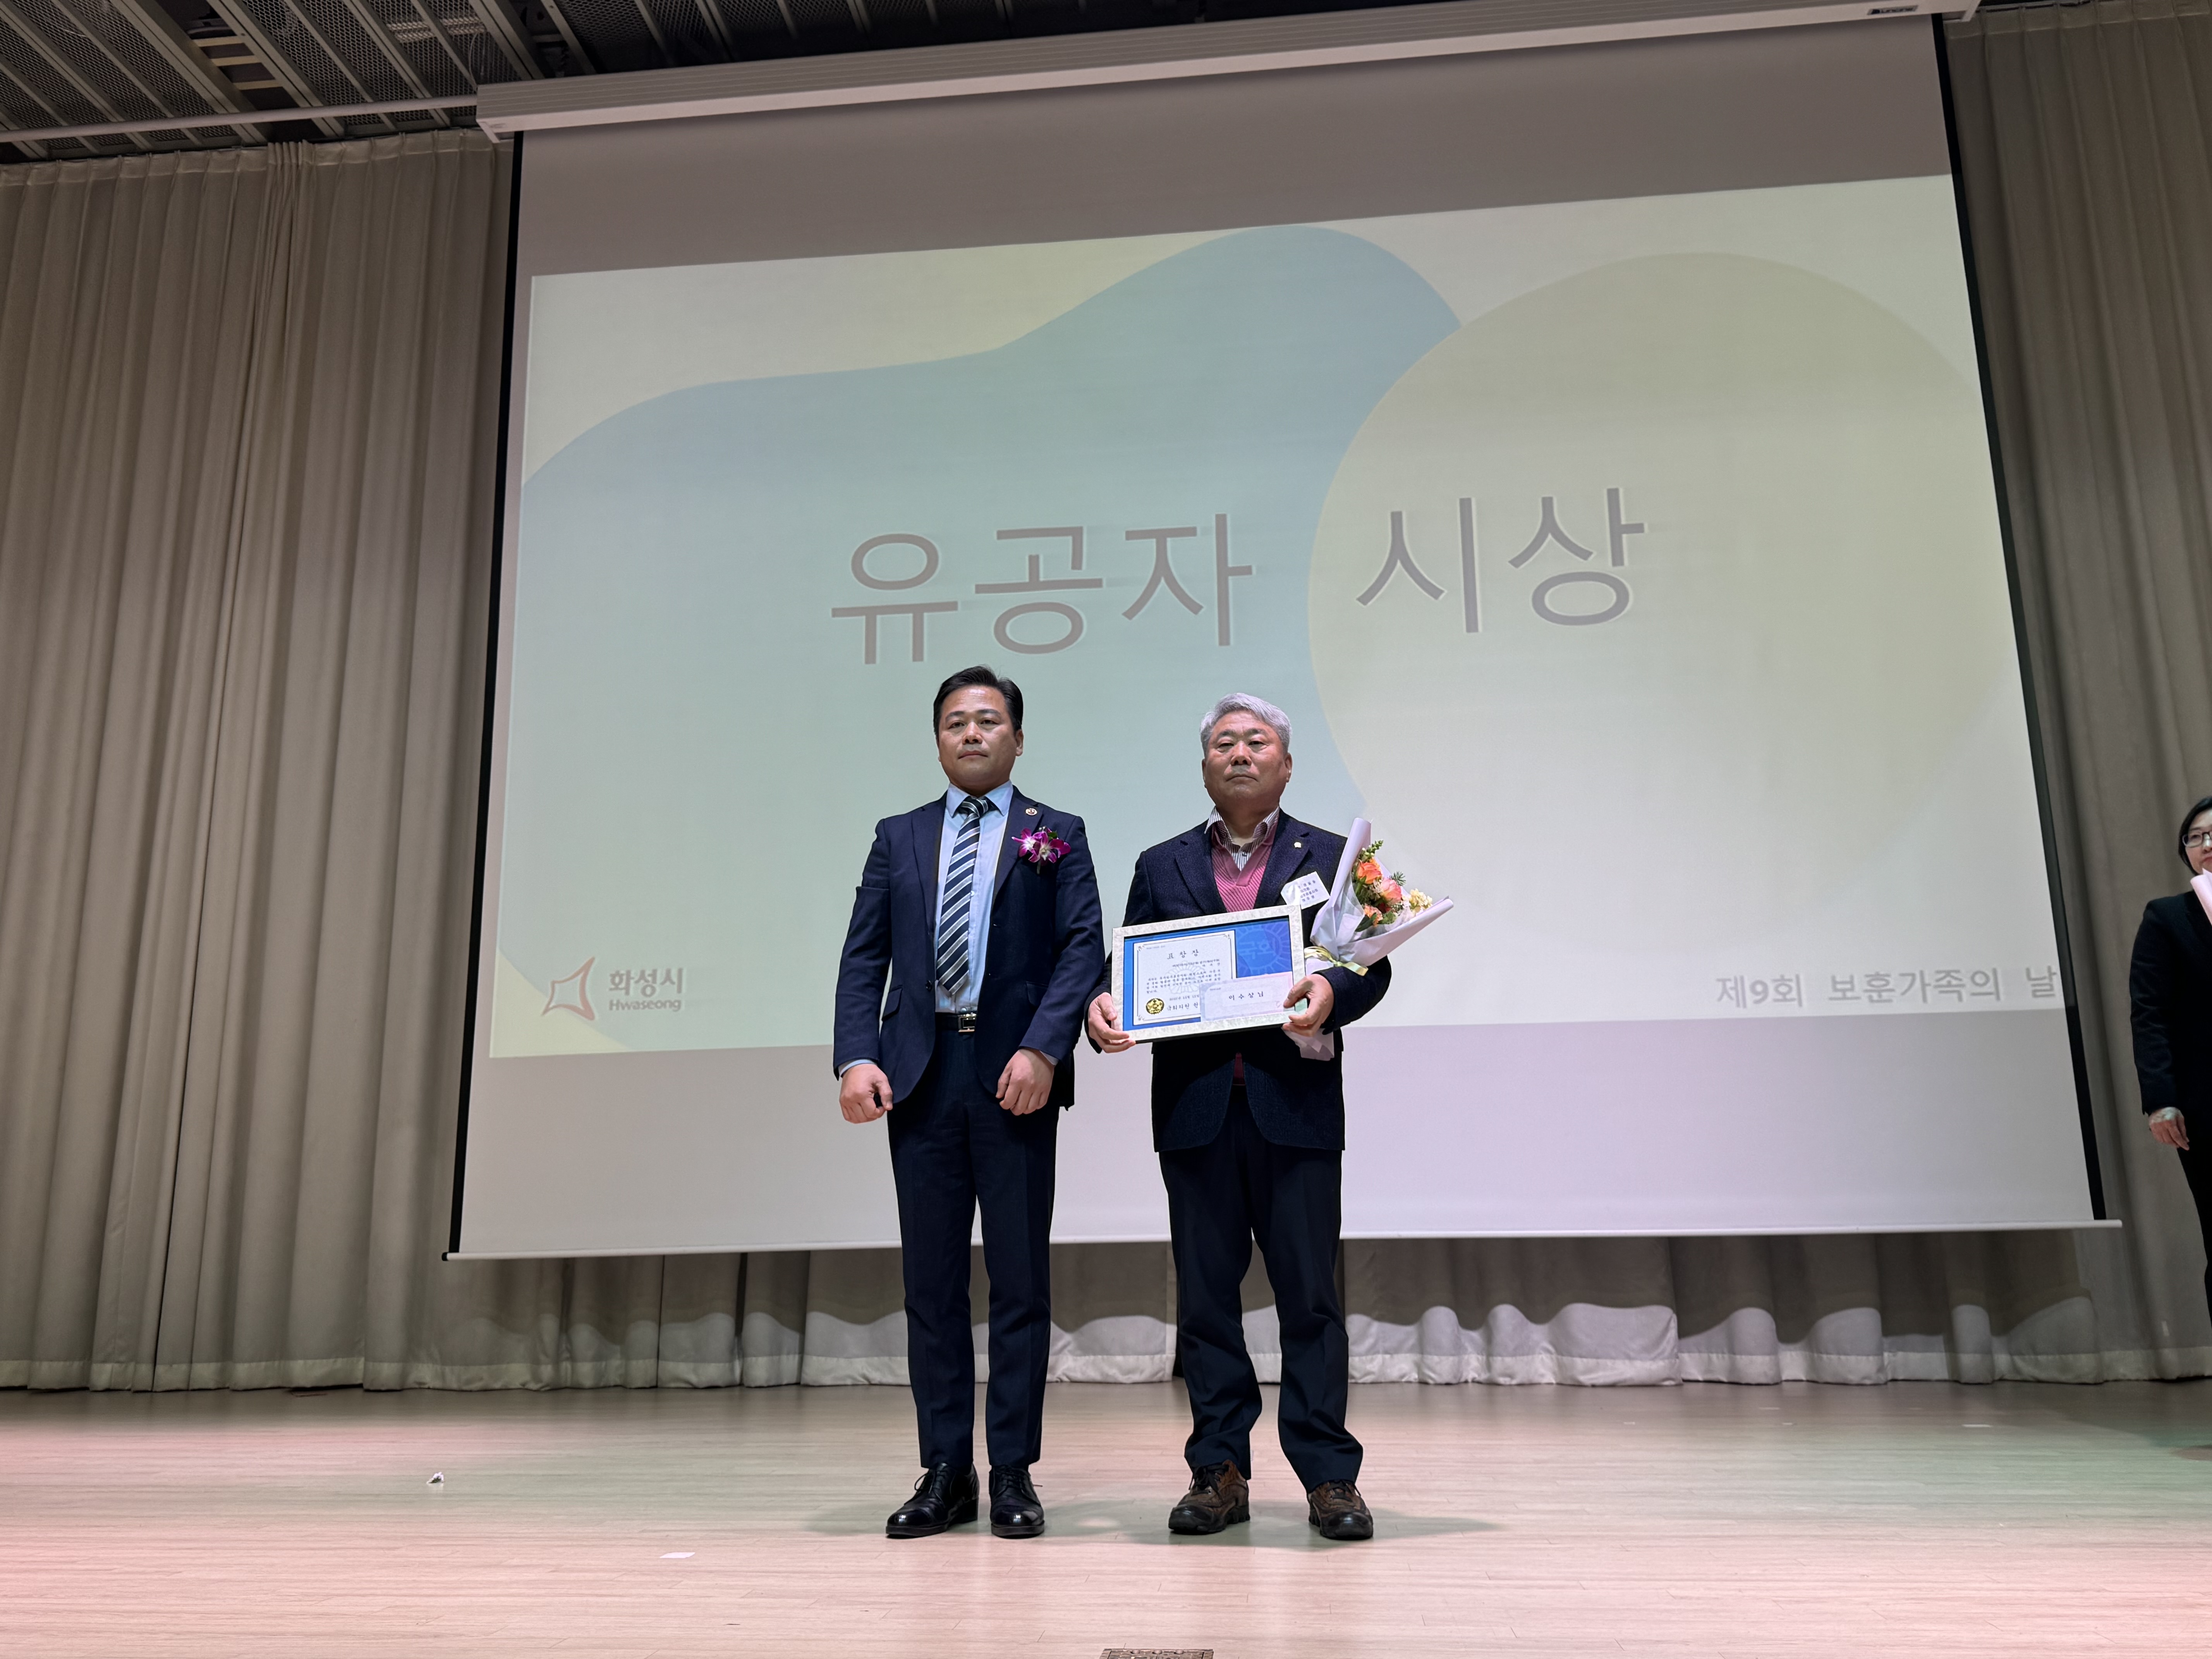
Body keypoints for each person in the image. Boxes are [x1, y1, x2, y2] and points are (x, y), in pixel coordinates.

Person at [1085, 693, 1391, 1542]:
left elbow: (1370, 965)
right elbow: (1128, 968)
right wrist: (1104, 1005)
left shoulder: (1331, 856)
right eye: (1225, 742)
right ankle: (1217, 1470)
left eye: (1258, 742)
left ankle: (1330, 1475)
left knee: (1311, 1300)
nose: (1241, 753)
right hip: (1196, 1109)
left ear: (1286, 765)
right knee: (1207, 1304)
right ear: (1205, 767)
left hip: (1295, 1104)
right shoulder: (1162, 863)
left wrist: (1332, 990)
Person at [833, 665, 1104, 1540]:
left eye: (989, 720)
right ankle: (946, 1469)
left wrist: (1043, 1048)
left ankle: (1013, 1469)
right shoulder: (899, 836)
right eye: (956, 722)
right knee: (932, 1285)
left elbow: (1082, 950)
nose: (973, 733)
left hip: (1015, 1076)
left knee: (1019, 1282)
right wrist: (856, 1057)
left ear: (1018, 739)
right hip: (921, 1075)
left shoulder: (1056, 833)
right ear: (939, 740)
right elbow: (864, 957)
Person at [2129, 792, 2212, 1321]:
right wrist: (2161, 1100)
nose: (2206, 844)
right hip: (2207, 1106)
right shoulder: (2168, 918)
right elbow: (2149, 1014)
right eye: (2196, 837)